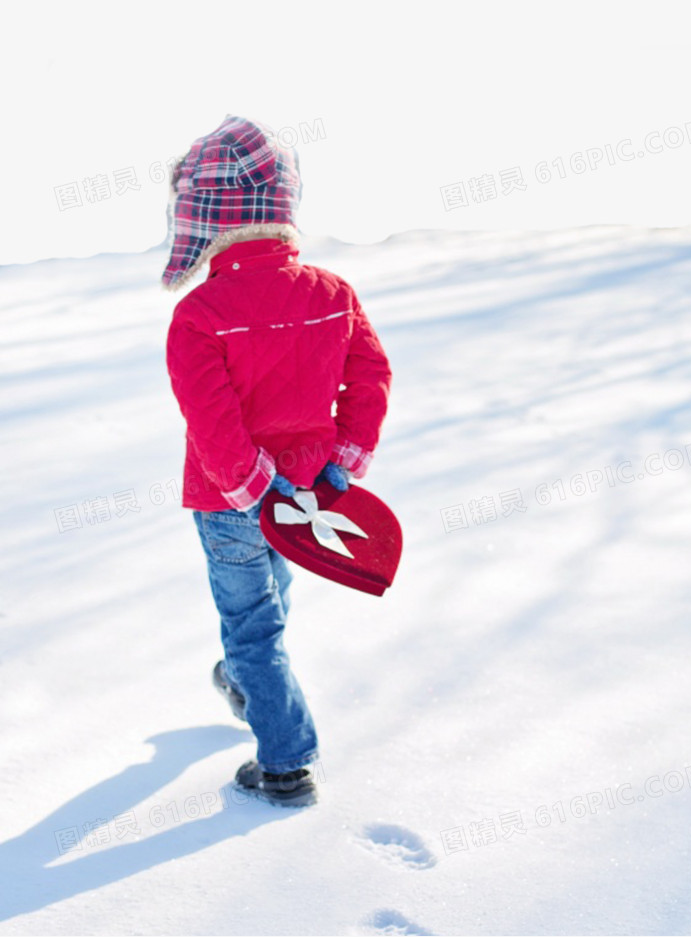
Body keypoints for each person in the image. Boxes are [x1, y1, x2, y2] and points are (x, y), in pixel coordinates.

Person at [162, 115, 392, 807]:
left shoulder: (200, 312)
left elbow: (213, 418)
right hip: (304, 491)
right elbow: (371, 375)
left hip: (231, 498)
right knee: (269, 599)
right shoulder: (331, 292)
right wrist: (343, 453)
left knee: (252, 620)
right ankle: (246, 679)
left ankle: (286, 762)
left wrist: (246, 482)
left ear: (205, 218)